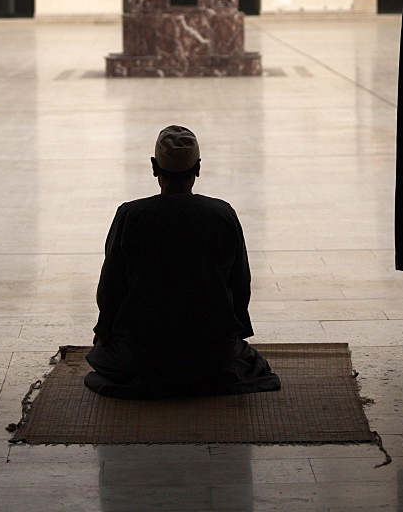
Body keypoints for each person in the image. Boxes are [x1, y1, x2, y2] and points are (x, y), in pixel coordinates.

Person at [84, 124, 280, 399]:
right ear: (198, 168)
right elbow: (240, 285)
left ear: (154, 167)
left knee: (105, 356)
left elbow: (110, 289)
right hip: (211, 353)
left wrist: (105, 334)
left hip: (143, 353)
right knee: (242, 359)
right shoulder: (221, 214)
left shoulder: (130, 216)